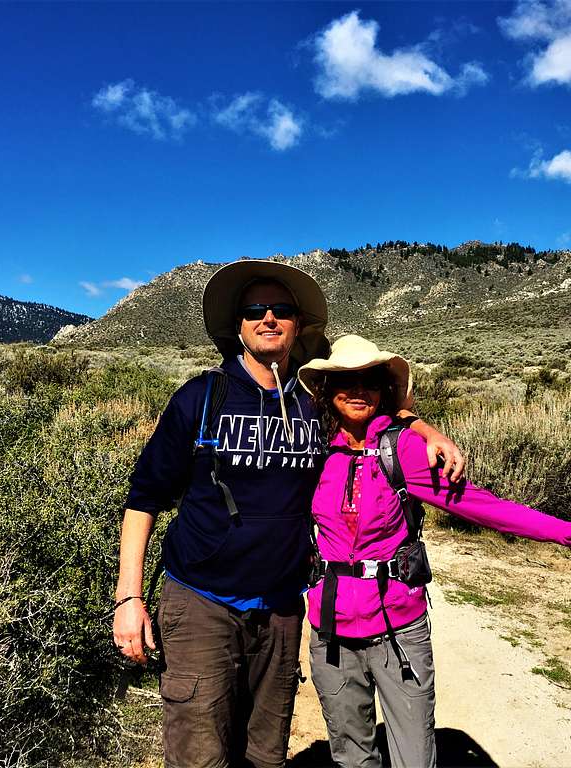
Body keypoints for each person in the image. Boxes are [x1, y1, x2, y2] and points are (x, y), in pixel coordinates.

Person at [111, 261, 465, 768]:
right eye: (255, 310)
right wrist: (129, 598)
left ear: (299, 326)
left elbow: (374, 410)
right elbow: (143, 499)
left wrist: (426, 428)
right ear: (237, 325)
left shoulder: (314, 404)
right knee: (199, 752)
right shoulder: (200, 398)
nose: (268, 318)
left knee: (265, 753)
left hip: (281, 609)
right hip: (200, 601)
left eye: (282, 310)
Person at [297, 335, 571, 768]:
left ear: (383, 390)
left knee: (414, 758)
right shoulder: (311, 450)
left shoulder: (402, 449)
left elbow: (485, 507)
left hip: (398, 628)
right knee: (351, 757)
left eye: (369, 381)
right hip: (331, 631)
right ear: (327, 388)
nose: (357, 391)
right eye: (345, 381)